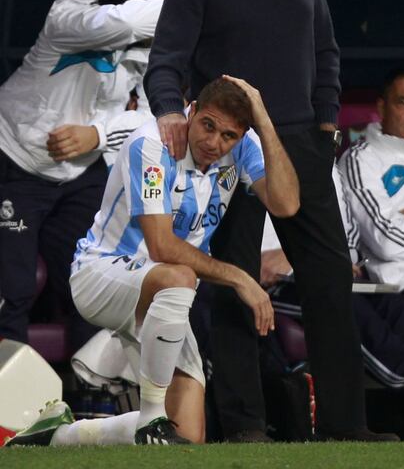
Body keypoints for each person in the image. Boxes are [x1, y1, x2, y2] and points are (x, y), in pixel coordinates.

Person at [143, 0, 399, 442]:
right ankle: (245, 427)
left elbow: (327, 48)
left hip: (300, 145)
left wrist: (327, 122)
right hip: (230, 152)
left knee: (330, 280)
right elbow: (167, 62)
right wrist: (166, 112)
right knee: (234, 282)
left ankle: (345, 427)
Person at [7, 76, 299, 446]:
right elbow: (162, 246)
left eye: (228, 135)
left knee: (186, 436)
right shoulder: (153, 144)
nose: (214, 142)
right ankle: (150, 417)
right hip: (102, 273)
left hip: (163, 297)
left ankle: (57, 436)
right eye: (208, 125)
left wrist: (265, 121)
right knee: (180, 276)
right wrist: (241, 278)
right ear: (191, 111)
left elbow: (286, 203)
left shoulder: (242, 147)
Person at [0, 0, 170, 352]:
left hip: (82, 173)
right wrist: (189, 1)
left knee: (93, 286)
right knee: (13, 290)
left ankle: (94, 399)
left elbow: (154, 115)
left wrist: (98, 134)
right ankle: (7, 407)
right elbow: (120, 24)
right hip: (14, 159)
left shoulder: (151, 39)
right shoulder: (70, 15)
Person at [339, 66, 404, 292]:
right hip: (402, 289)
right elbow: (388, 243)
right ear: (382, 108)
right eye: (403, 102)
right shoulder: (362, 158)